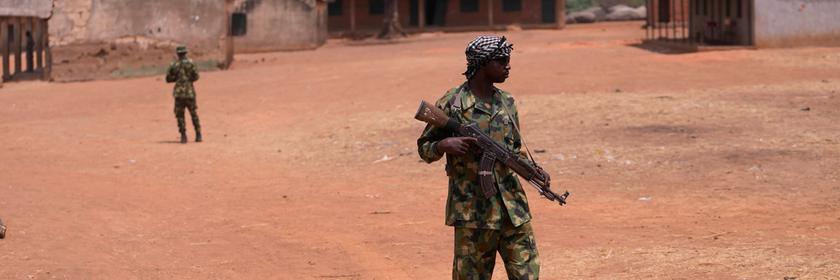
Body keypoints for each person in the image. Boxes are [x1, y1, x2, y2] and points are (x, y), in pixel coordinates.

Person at [417, 35, 542, 279]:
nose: (508, 65)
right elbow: (424, 148)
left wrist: (533, 170)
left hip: (513, 209)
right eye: (502, 60)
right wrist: (444, 144)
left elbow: (514, 150)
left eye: (508, 60)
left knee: (528, 274)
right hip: (473, 214)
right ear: (483, 63)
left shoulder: (507, 102)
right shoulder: (452, 103)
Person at [165, 46, 202, 144]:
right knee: (193, 114)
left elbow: (168, 79)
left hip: (179, 93)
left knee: (180, 116)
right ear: (185, 53)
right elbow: (196, 76)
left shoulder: (174, 65)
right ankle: (198, 134)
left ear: (177, 53)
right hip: (189, 92)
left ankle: (183, 136)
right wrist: (188, 80)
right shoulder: (191, 63)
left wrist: (177, 79)